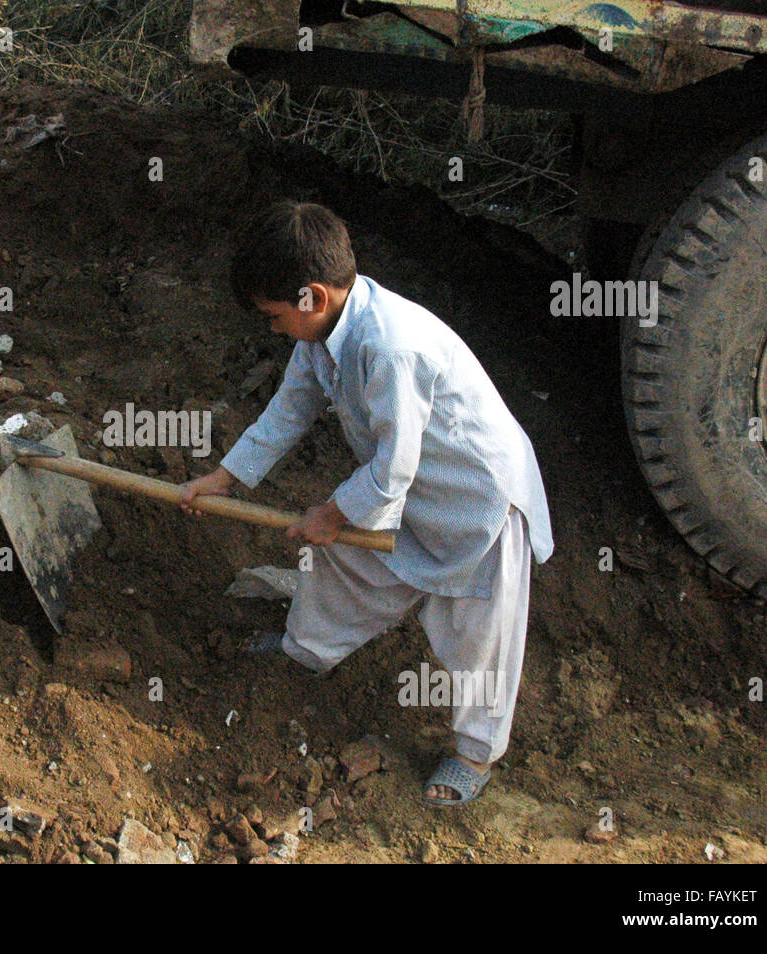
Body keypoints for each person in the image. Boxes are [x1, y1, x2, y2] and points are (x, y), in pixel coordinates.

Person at [180, 200, 553, 806]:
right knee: (343, 566)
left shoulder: (390, 347)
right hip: (410, 494)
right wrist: (225, 476)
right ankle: (305, 650)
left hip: (478, 501)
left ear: (313, 298)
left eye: (273, 316)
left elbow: (395, 463)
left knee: (479, 635)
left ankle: (473, 755)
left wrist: (329, 514)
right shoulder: (324, 332)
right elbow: (291, 408)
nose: (272, 328)